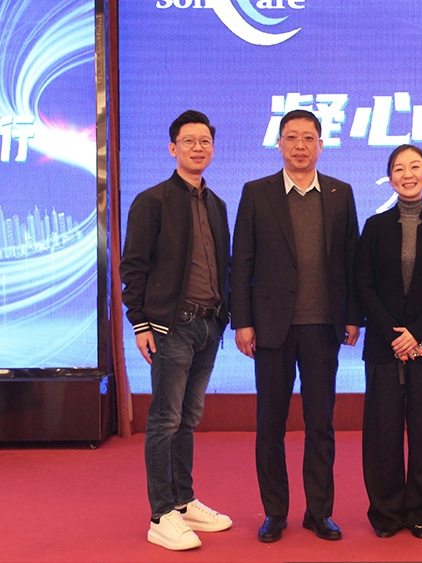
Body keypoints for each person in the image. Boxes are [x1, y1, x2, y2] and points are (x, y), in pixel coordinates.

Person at [231, 109, 361, 543]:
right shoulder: (257, 192)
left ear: (321, 145)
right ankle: (275, 512)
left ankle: (319, 512)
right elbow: (241, 262)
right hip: (271, 328)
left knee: (320, 423)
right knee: (270, 423)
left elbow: (351, 260)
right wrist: (242, 321)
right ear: (279, 144)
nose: (300, 146)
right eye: (291, 137)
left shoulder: (340, 193)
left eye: (308, 138)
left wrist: (352, 316)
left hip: (323, 326)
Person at [120, 110, 232, 551]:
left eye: (205, 141)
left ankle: (184, 501)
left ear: (213, 148)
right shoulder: (152, 201)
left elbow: (223, 266)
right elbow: (134, 267)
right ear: (173, 148)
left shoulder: (217, 204)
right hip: (171, 327)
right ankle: (161, 514)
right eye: (189, 141)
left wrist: (224, 317)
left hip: (208, 326)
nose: (197, 148)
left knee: (188, 417)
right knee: (164, 420)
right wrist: (140, 323)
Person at [355, 145, 422, 539]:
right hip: (384, 347)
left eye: (415, 167)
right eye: (399, 169)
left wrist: (416, 332)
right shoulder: (375, 226)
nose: (408, 174)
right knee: (382, 433)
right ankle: (386, 513)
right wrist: (393, 334)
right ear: (390, 178)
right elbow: (364, 284)